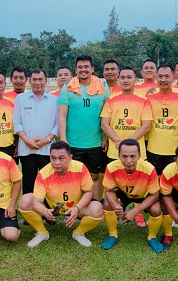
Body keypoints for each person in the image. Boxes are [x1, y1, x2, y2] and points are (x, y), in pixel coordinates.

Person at [18, 141, 103, 248]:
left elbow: (89, 192)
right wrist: (45, 211)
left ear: (70, 157)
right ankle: (42, 233)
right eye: (53, 158)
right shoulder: (43, 174)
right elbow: (36, 202)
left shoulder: (80, 168)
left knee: (97, 208)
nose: (56, 162)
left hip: (76, 206)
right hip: (53, 207)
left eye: (61, 158)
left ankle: (78, 233)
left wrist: (77, 208)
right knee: (25, 200)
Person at [100, 66, 152, 227]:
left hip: (137, 151)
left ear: (136, 80)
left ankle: (137, 214)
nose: (125, 80)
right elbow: (104, 124)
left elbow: (146, 126)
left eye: (129, 77)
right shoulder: (111, 99)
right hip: (114, 149)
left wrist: (128, 143)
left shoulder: (143, 99)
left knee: (138, 183)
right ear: (118, 79)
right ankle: (113, 211)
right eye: (122, 77)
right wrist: (117, 140)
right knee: (114, 184)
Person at [58, 55, 110, 200]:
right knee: (74, 176)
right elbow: (62, 115)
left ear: (92, 68)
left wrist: (105, 138)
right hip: (73, 142)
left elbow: (107, 115)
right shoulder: (67, 88)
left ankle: (96, 203)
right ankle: (75, 205)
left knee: (94, 175)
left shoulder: (103, 87)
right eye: (80, 67)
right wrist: (63, 139)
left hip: (95, 141)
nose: (83, 70)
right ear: (76, 70)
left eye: (86, 66)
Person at [101, 139, 163, 252]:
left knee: (156, 209)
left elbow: (154, 195)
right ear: (118, 155)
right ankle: (112, 235)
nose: (128, 160)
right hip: (124, 193)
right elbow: (109, 190)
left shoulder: (149, 169)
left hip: (145, 194)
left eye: (133, 156)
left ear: (139, 155)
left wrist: (134, 211)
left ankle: (152, 237)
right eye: (124, 156)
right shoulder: (111, 167)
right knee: (107, 205)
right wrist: (115, 205)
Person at [13, 69, 58, 194]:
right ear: (29, 81)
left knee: (47, 181)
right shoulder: (21, 99)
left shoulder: (54, 100)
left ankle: (46, 210)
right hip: (27, 149)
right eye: (34, 80)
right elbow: (16, 122)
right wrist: (27, 141)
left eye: (40, 79)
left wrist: (47, 139)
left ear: (46, 81)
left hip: (47, 148)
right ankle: (29, 209)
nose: (37, 83)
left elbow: (57, 123)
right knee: (29, 181)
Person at [146, 64, 178, 175]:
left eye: (167, 76)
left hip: (174, 149)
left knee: (173, 181)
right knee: (155, 181)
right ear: (156, 77)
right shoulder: (149, 96)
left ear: (174, 77)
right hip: (153, 149)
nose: (163, 80)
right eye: (160, 76)